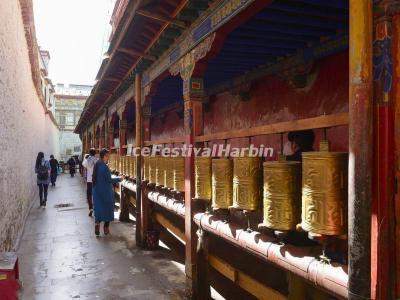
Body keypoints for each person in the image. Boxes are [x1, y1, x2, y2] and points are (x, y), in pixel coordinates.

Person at [92, 148, 122, 236]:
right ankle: (106, 228)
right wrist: (120, 178)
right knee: (108, 209)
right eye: (107, 156)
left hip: (97, 191)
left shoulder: (97, 164)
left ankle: (97, 225)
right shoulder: (104, 167)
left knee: (98, 209)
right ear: (104, 156)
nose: (108, 158)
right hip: (105, 191)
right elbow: (109, 179)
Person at [82, 149, 97, 217]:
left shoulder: (87, 159)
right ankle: (97, 208)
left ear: (89, 153)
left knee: (89, 195)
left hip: (89, 180)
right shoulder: (96, 160)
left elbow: (84, 166)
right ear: (95, 154)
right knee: (96, 194)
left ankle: (91, 208)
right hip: (96, 180)